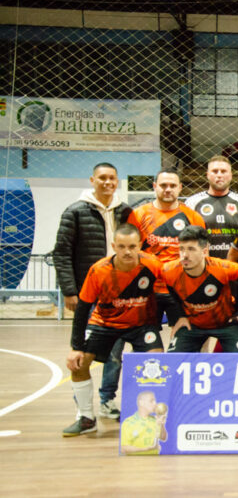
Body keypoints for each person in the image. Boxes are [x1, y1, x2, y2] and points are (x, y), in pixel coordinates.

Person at [53, 162, 137, 421]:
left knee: (115, 353)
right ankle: (83, 410)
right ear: (92, 180)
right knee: (84, 354)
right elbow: (62, 253)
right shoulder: (75, 212)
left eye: (112, 178)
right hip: (88, 294)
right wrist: (69, 290)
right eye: (102, 178)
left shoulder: (125, 211)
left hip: (120, 295)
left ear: (117, 181)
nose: (107, 182)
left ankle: (107, 400)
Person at [62, 224, 164, 437]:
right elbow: (82, 310)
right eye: (122, 246)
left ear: (140, 246)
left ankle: (149, 417)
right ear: (113, 246)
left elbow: (166, 297)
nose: (127, 251)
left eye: (132, 246)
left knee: (157, 363)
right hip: (105, 323)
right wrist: (75, 347)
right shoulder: (99, 270)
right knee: (78, 364)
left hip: (141, 325)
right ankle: (86, 418)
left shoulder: (153, 265)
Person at [133, 169, 206, 329]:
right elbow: (130, 253)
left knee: (185, 340)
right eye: (163, 185)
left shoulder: (193, 217)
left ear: (180, 187)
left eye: (172, 185)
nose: (168, 189)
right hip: (148, 289)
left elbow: (203, 255)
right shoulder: (138, 215)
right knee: (144, 341)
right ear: (154, 186)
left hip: (182, 290)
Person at [163, 226, 238, 353]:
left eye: (191, 249)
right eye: (181, 249)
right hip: (193, 325)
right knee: (173, 360)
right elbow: (171, 291)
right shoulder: (169, 271)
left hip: (226, 323)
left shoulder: (222, 268)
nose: (185, 255)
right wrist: (180, 316)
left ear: (204, 251)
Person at [185, 156, 238, 259]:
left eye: (223, 171)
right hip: (204, 268)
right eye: (215, 171)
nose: (219, 175)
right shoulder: (192, 203)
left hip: (235, 268)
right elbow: (185, 237)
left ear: (230, 175)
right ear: (207, 175)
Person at [120, 391, 168, 455]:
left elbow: (163, 438)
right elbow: (123, 449)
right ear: (141, 403)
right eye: (151, 401)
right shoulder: (128, 423)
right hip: (134, 462)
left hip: (154, 461)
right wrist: (145, 449)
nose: (155, 404)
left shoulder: (155, 420)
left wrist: (162, 424)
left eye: (155, 401)